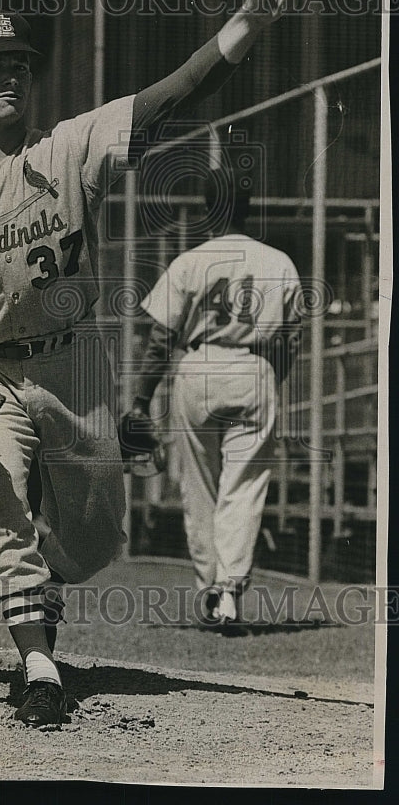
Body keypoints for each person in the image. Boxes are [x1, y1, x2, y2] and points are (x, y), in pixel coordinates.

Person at [0, 0, 296, 725]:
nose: (11, 76)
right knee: (0, 511)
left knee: (94, 544)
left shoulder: (69, 150)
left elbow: (172, 97)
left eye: (21, 64)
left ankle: (38, 581)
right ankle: (40, 664)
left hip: (74, 361)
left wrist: (244, 28)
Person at [122, 167, 302, 626]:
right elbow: (292, 339)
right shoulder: (278, 261)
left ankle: (208, 590)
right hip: (254, 364)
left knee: (199, 487)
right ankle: (230, 591)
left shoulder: (190, 261)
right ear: (248, 208)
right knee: (244, 487)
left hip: (199, 366)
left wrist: (141, 400)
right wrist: (269, 380)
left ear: (206, 210)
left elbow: (160, 339)